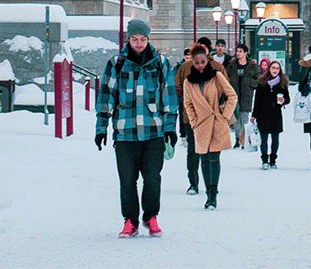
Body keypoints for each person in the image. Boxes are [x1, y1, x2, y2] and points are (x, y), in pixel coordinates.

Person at [95, 18, 178, 238]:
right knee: (127, 181)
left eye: (142, 39)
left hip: (153, 133)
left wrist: (170, 128)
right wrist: (101, 128)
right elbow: (106, 97)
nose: (139, 43)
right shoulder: (117, 64)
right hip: (125, 134)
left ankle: (150, 217)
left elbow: (169, 99)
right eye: (134, 39)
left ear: (148, 39)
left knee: (152, 179)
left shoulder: (160, 63)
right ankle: (130, 221)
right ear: (128, 39)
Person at [183, 43, 238, 210]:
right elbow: (187, 104)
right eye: (196, 62)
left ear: (207, 60)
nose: (200, 65)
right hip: (201, 125)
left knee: (214, 158)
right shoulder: (188, 82)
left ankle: (213, 195)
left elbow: (232, 96)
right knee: (204, 160)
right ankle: (208, 192)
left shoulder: (216, 76)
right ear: (192, 62)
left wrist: (224, 116)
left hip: (216, 122)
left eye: (203, 61)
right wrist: (194, 122)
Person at [175, 36, 225, 195]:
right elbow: (177, 89)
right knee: (193, 150)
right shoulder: (185, 67)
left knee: (212, 152)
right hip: (191, 117)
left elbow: (226, 91)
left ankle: (212, 185)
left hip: (213, 117)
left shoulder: (216, 67)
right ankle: (193, 182)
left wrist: (223, 113)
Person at [251, 59, 289, 168]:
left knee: (275, 138)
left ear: (280, 70)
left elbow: (287, 98)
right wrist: (254, 115)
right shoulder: (262, 82)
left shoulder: (282, 83)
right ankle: (264, 160)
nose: (275, 70)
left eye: (277, 68)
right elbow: (257, 100)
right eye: (273, 68)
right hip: (263, 114)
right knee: (264, 138)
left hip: (276, 114)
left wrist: (283, 100)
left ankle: (273, 160)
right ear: (269, 69)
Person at [226, 42, 259, 148]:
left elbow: (258, 79)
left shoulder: (252, 66)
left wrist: (250, 83)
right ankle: (237, 138)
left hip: (246, 94)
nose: (238, 53)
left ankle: (244, 139)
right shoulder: (232, 65)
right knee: (235, 117)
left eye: (240, 51)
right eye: (237, 51)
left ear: (245, 53)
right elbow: (225, 77)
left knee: (244, 118)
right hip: (234, 94)